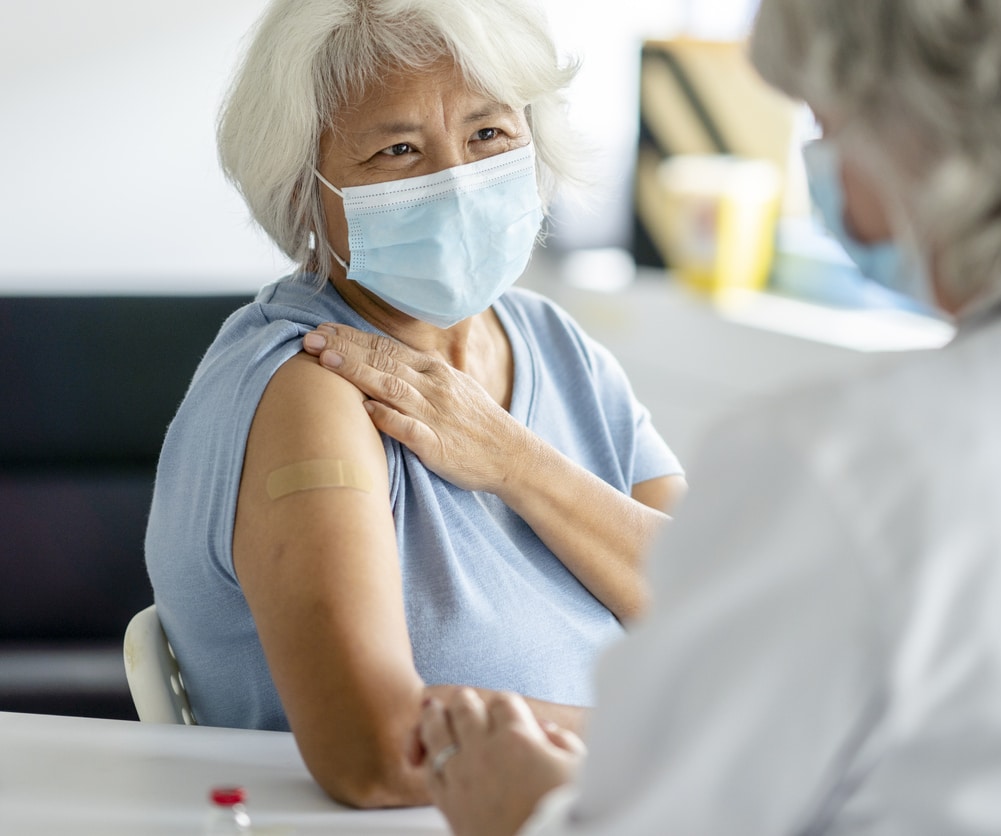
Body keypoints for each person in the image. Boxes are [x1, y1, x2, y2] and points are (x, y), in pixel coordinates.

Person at [412, 0, 1001, 833]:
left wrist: (522, 810)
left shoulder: (842, 461)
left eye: (827, 127)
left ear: (920, 131)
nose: (825, 182)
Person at [144, 0, 686, 810]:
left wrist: (514, 461)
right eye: (398, 149)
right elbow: (379, 752)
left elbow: (716, 611)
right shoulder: (312, 388)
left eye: (489, 134)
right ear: (304, 192)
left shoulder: (555, 345)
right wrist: (670, 737)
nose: (458, 180)